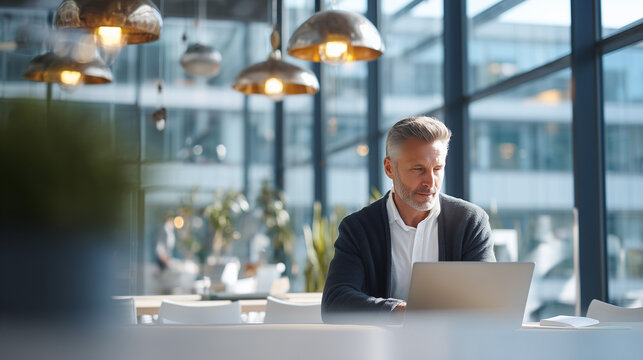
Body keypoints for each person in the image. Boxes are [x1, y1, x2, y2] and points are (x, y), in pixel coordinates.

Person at [321, 116, 496, 322]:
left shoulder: (470, 222)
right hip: (382, 349)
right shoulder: (358, 229)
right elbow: (335, 302)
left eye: (437, 169)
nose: (430, 182)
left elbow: (488, 302)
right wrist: (402, 312)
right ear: (389, 168)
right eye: (418, 169)